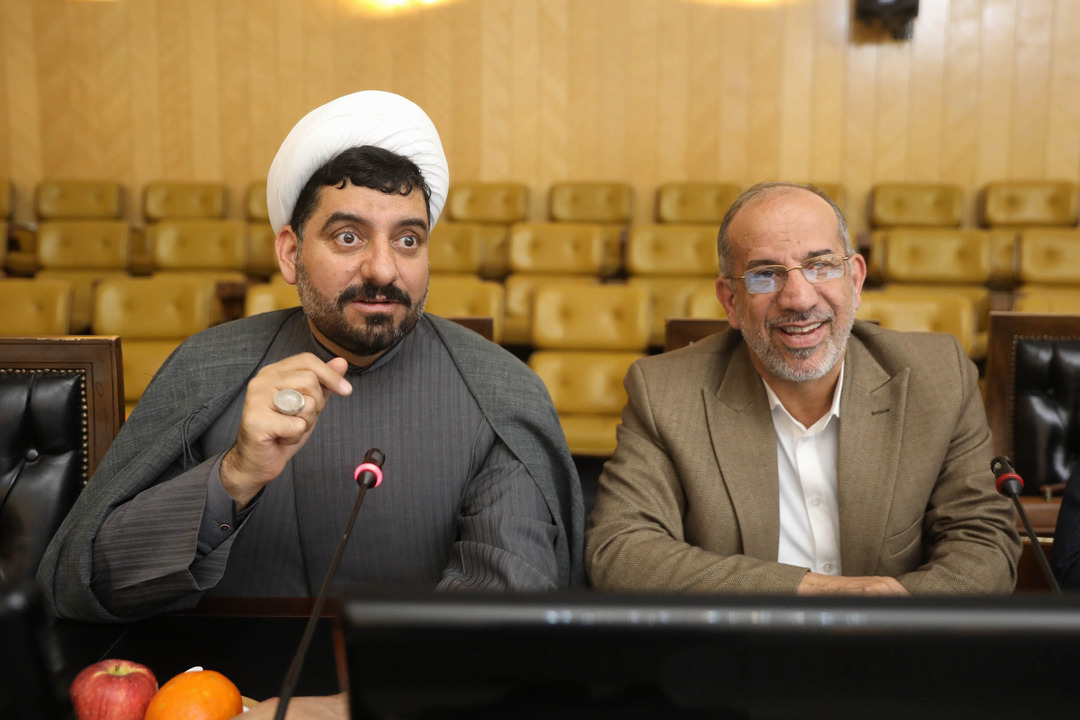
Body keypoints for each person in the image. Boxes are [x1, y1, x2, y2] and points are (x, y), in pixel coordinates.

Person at [38, 91, 585, 625]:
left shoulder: (501, 391)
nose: (383, 269)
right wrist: (233, 476)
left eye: (407, 240)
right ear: (291, 253)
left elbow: (506, 602)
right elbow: (82, 584)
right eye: (348, 237)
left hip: (416, 681)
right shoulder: (206, 368)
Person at [586, 182, 1020, 595]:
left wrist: (891, 613)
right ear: (731, 301)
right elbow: (620, 550)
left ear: (855, 280)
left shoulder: (937, 378)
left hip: (892, 642)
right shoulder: (665, 393)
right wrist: (810, 591)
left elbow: (984, 540)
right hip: (741, 643)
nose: (799, 298)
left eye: (821, 266)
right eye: (765, 275)